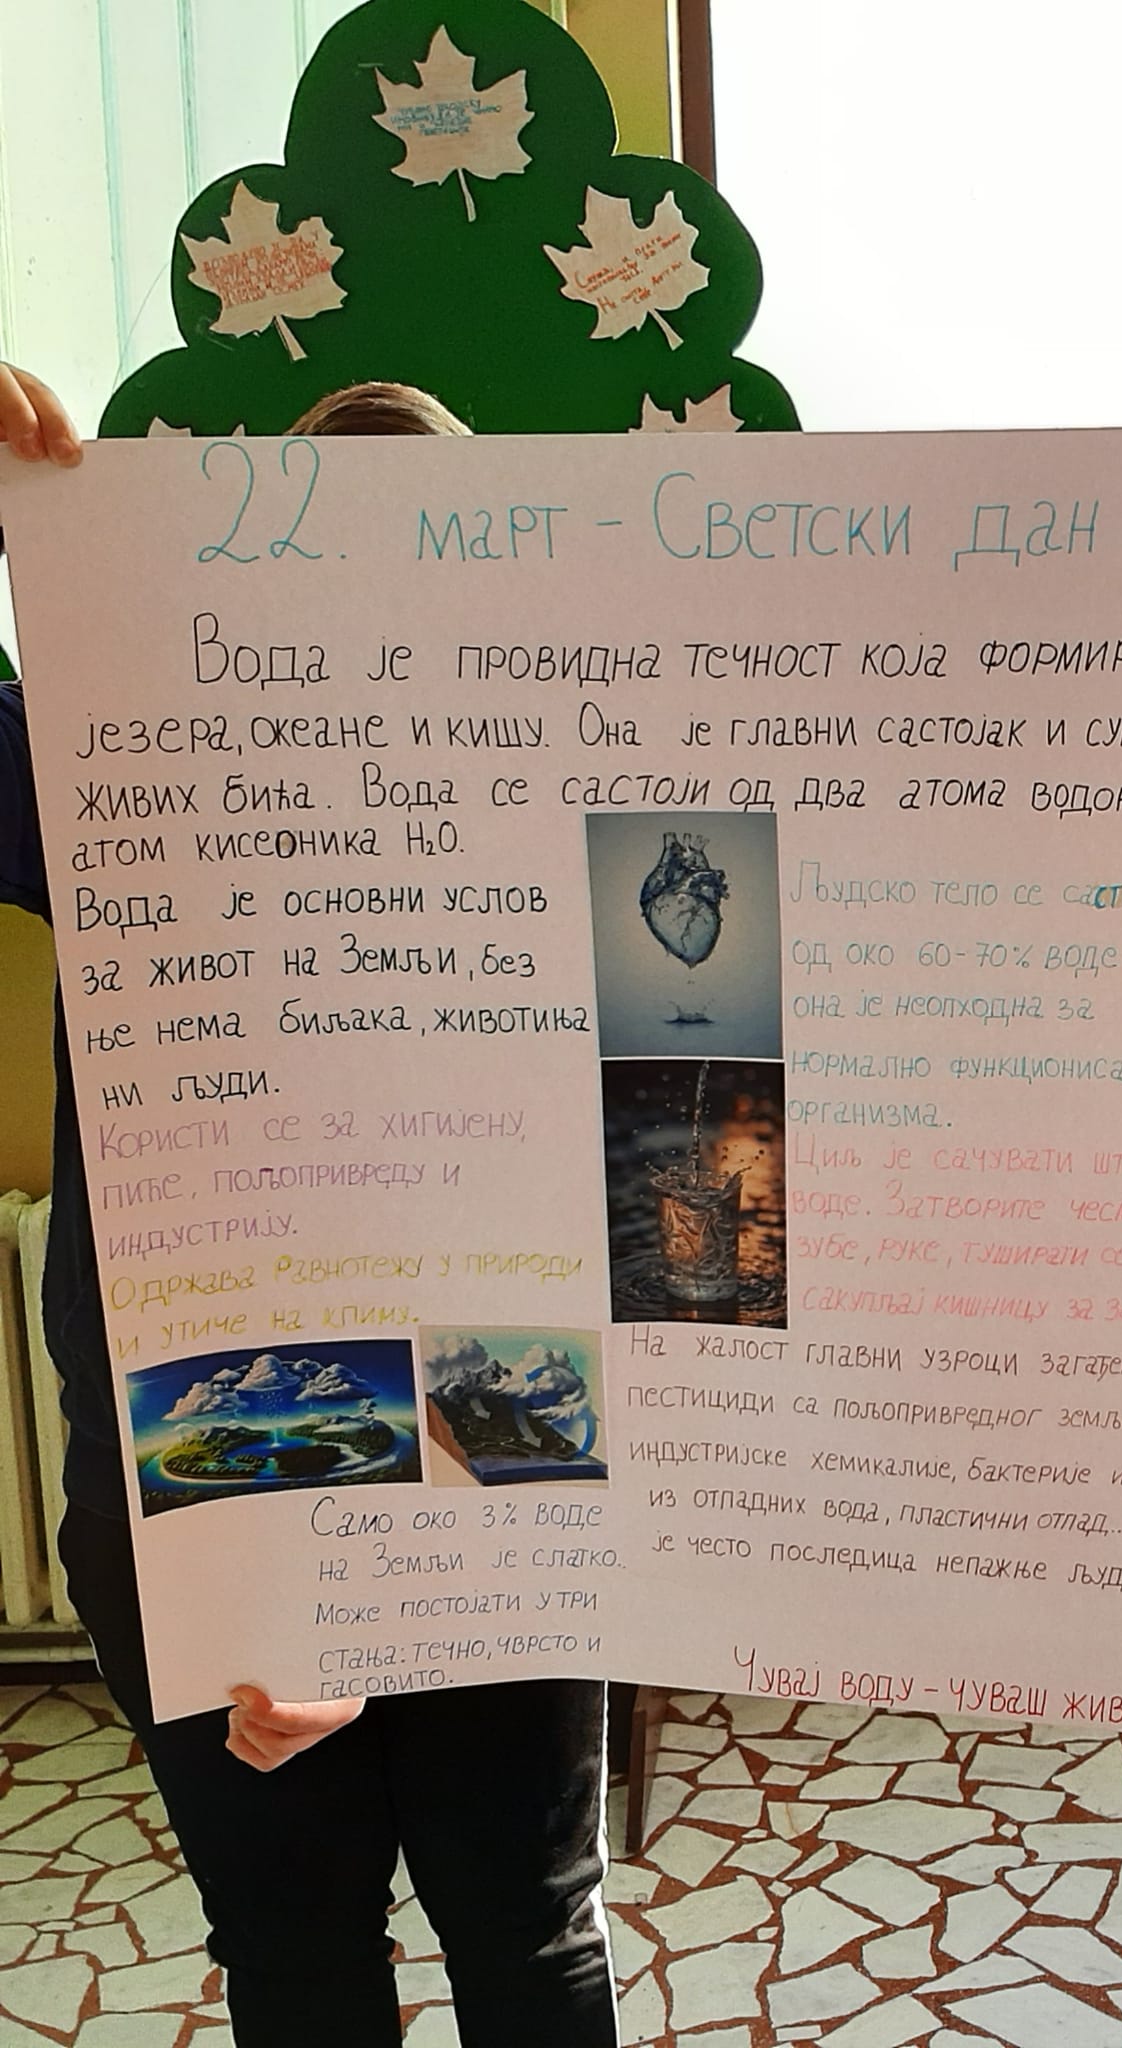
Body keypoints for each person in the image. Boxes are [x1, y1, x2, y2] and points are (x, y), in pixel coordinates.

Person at [0, 362, 617, 2048]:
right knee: (313, 1948)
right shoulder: (111, 760)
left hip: (498, 1465)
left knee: (517, 1933)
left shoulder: (575, 768)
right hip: (210, 1471)